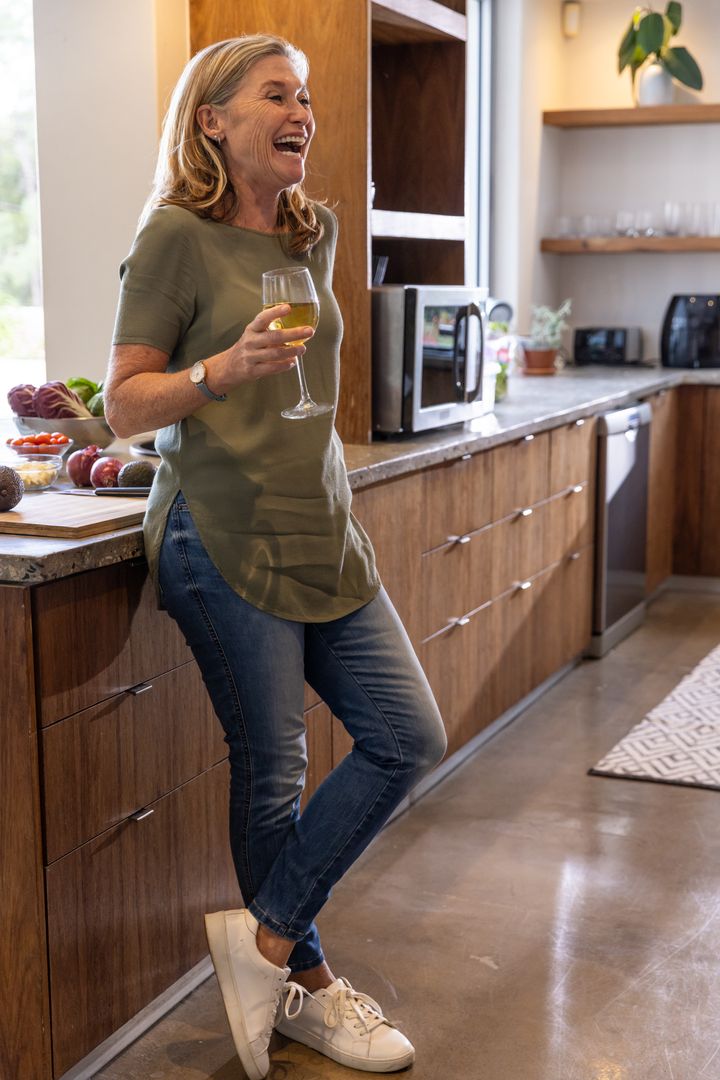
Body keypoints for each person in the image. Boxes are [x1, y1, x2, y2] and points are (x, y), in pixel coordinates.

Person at [105, 33, 447, 1080]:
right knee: (274, 776)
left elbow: (304, 397)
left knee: (408, 735)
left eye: (305, 97)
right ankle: (306, 987)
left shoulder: (315, 229)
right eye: (275, 95)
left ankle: (262, 945)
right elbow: (123, 405)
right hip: (222, 527)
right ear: (213, 121)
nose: (300, 111)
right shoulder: (173, 236)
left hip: (321, 526)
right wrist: (222, 368)